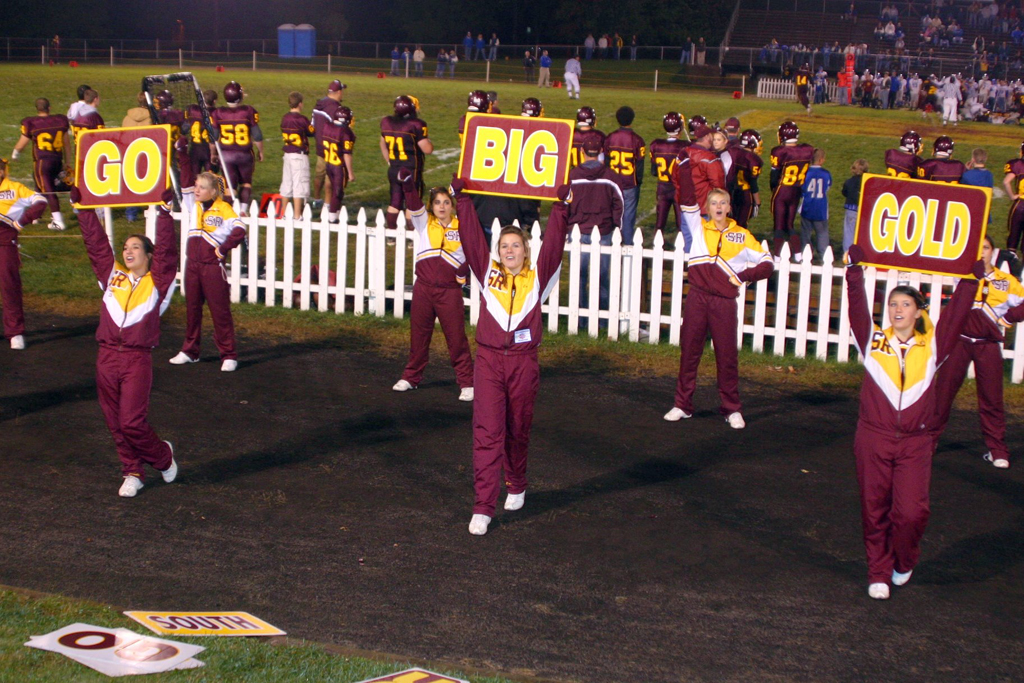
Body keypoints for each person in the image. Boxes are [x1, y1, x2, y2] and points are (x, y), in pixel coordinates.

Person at [844, 244, 983, 599]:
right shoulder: (873, 341)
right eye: (892, 304)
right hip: (873, 437)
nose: (897, 310)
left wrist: (970, 282)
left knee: (911, 513)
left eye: (905, 304)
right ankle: (877, 570)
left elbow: (955, 315)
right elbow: (857, 310)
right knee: (874, 508)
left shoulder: (935, 345)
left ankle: (904, 561)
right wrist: (854, 271)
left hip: (916, 442)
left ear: (918, 312)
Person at [449, 176, 573, 536]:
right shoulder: (487, 273)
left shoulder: (540, 276)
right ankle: (483, 507)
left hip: (523, 363)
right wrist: (462, 201)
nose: (508, 250)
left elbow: (554, 243)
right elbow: (472, 238)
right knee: (487, 431)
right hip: (488, 361)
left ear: (525, 250)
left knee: (518, 430)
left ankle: (516, 483)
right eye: (503, 245)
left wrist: (561, 208)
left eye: (515, 245)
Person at [71, 184, 179, 498]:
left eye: (135, 247)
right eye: (126, 247)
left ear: (148, 255)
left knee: (131, 421)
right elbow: (97, 245)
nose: (128, 251)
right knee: (114, 422)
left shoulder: (157, 282)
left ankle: (162, 456)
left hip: (136, 358)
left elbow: (168, 253)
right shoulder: (112, 275)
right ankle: (132, 472)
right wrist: (83, 210)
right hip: (105, 356)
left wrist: (163, 212)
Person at [665, 188, 773, 429]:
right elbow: (688, 199)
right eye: (714, 203)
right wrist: (684, 163)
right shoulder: (697, 229)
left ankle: (731, 409)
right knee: (689, 351)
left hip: (723, 303)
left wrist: (744, 275)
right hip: (697, 298)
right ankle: (682, 405)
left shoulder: (742, 235)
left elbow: (767, 263)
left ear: (729, 207)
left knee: (726, 356)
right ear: (708, 208)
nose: (719, 207)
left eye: (723, 202)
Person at [934, 235, 1024, 470]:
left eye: (985, 248)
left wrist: (1007, 317)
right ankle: (927, 442)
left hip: (987, 344)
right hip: (959, 342)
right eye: (977, 247)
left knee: (992, 398)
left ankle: (997, 450)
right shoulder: (962, 273)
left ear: (993, 252)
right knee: (942, 393)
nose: (981, 252)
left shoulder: (1007, 281)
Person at [392, 171, 473, 400]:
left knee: (456, 338)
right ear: (432, 205)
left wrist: (464, 269)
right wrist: (408, 184)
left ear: (453, 205)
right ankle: (411, 377)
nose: (442, 206)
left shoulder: (463, 225)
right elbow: (414, 203)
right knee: (418, 335)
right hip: (424, 289)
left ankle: (467, 383)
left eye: (447, 202)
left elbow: (475, 253)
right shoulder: (423, 222)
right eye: (437, 202)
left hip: (449, 292)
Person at [168, 172, 247, 371]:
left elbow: (240, 229)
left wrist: (222, 249)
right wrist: (183, 152)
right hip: (192, 265)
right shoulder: (191, 204)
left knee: (219, 311)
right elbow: (184, 183)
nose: (196, 190)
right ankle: (190, 351)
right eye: (196, 186)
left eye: (202, 187)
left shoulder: (224, 208)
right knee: (192, 309)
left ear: (212, 192)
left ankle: (228, 354)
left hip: (212, 267)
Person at [568, 137, 624, 328]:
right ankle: (602, 319)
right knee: (602, 277)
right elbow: (620, 205)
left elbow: (564, 203)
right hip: (603, 231)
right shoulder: (610, 176)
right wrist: (618, 227)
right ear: (601, 152)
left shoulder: (573, 175)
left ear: (582, 152)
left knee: (579, 277)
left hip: (579, 231)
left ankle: (580, 319)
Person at [0, 158, 47, 350]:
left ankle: (15, 332)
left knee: (9, 285)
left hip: (4, 241)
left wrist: (21, 222)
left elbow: (41, 200)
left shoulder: (15, 187)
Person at [11, 97, 70, 231]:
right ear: (49, 108)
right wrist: (67, 161)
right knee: (39, 186)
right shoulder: (60, 120)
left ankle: (58, 221)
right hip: (57, 160)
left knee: (48, 190)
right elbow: (66, 144)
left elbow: (22, 143)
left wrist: (15, 153)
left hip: (43, 162)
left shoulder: (32, 122)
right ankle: (36, 215)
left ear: (37, 109)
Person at [380, 96, 432, 233]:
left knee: (395, 201)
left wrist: (389, 160)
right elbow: (427, 149)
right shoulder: (416, 124)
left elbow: (382, 143)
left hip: (394, 168)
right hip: (410, 169)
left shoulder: (386, 122)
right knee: (412, 202)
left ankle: (391, 233)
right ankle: (411, 234)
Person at [211, 81, 263, 215]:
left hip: (226, 155)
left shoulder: (218, 113)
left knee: (229, 185)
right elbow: (257, 135)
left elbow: (213, 137)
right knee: (246, 183)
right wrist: (260, 151)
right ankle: (243, 210)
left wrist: (213, 154)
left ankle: (230, 211)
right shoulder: (248, 111)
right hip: (245, 154)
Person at [769, 121, 814, 260]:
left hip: (782, 191)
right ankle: (798, 254)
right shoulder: (807, 150)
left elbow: (774, 177)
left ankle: (777, 256)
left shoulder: (779, 151)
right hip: (796, 191)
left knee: (779, 226)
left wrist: (773, 189)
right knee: (790, 224)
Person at [649, 112, 688, 234]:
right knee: (681, 224)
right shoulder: (685, 146)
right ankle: (682, 249)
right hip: (678, 188)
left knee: (660, 224)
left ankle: (657, 246)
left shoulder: (656, 145)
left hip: (662, 187)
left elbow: (654, 171)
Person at [311, 80, 346, 214]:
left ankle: (316, 199)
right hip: (331, 147)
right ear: (338, 92)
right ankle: (327, 205)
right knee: (330, 178)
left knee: (319, 174)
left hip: (320, 146)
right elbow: (337, 129)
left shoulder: (319, 104)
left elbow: (312, 125)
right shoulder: (335, 108)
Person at [279, 91, 313, 218]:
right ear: (300, 104)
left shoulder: (284, 118)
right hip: (299, 154)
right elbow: (311, 131)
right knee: (300, 185)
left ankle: (284, 214)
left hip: (287, 154)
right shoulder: (301, 119)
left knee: (286, 184)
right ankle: (297, 215)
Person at [321, 106, 356, 224]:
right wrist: (350, 173)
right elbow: (347, 154)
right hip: (338, 167)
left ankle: (335, 212)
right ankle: (332, 217)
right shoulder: (346, 133)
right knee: (338, 191)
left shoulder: (327, 126)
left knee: (335, 190)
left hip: (329, 163)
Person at [799, 148, 832, 260]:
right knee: (822, 233)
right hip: (820, 208)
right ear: (821, 160)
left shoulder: (805, 173)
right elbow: (827, 187)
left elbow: (801, 188)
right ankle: (824, 256)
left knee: (805, 233)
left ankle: (805, 254)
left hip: (807, 207)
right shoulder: (826, 174)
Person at [732, 129, 764, 229]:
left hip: (730, 191)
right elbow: (753, 183)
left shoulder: (732, 151)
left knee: (729, 221)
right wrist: (757, 202)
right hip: (745, 194)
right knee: (741, 225)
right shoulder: (754, 159)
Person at [841, 159, 869, 253]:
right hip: (864, 210)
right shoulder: (868, 182)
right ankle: (862, 254)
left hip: (851, 210)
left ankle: (847, 254)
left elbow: (844, 192)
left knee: (849, 233)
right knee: (862, 234)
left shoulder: (849, 181)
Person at [1002, 141, 1024, 254]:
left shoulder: (1018, 164)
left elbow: (1006, 182)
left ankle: (1009, 266)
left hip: (1020, 205)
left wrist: (1012, 196)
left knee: (1013, 240)